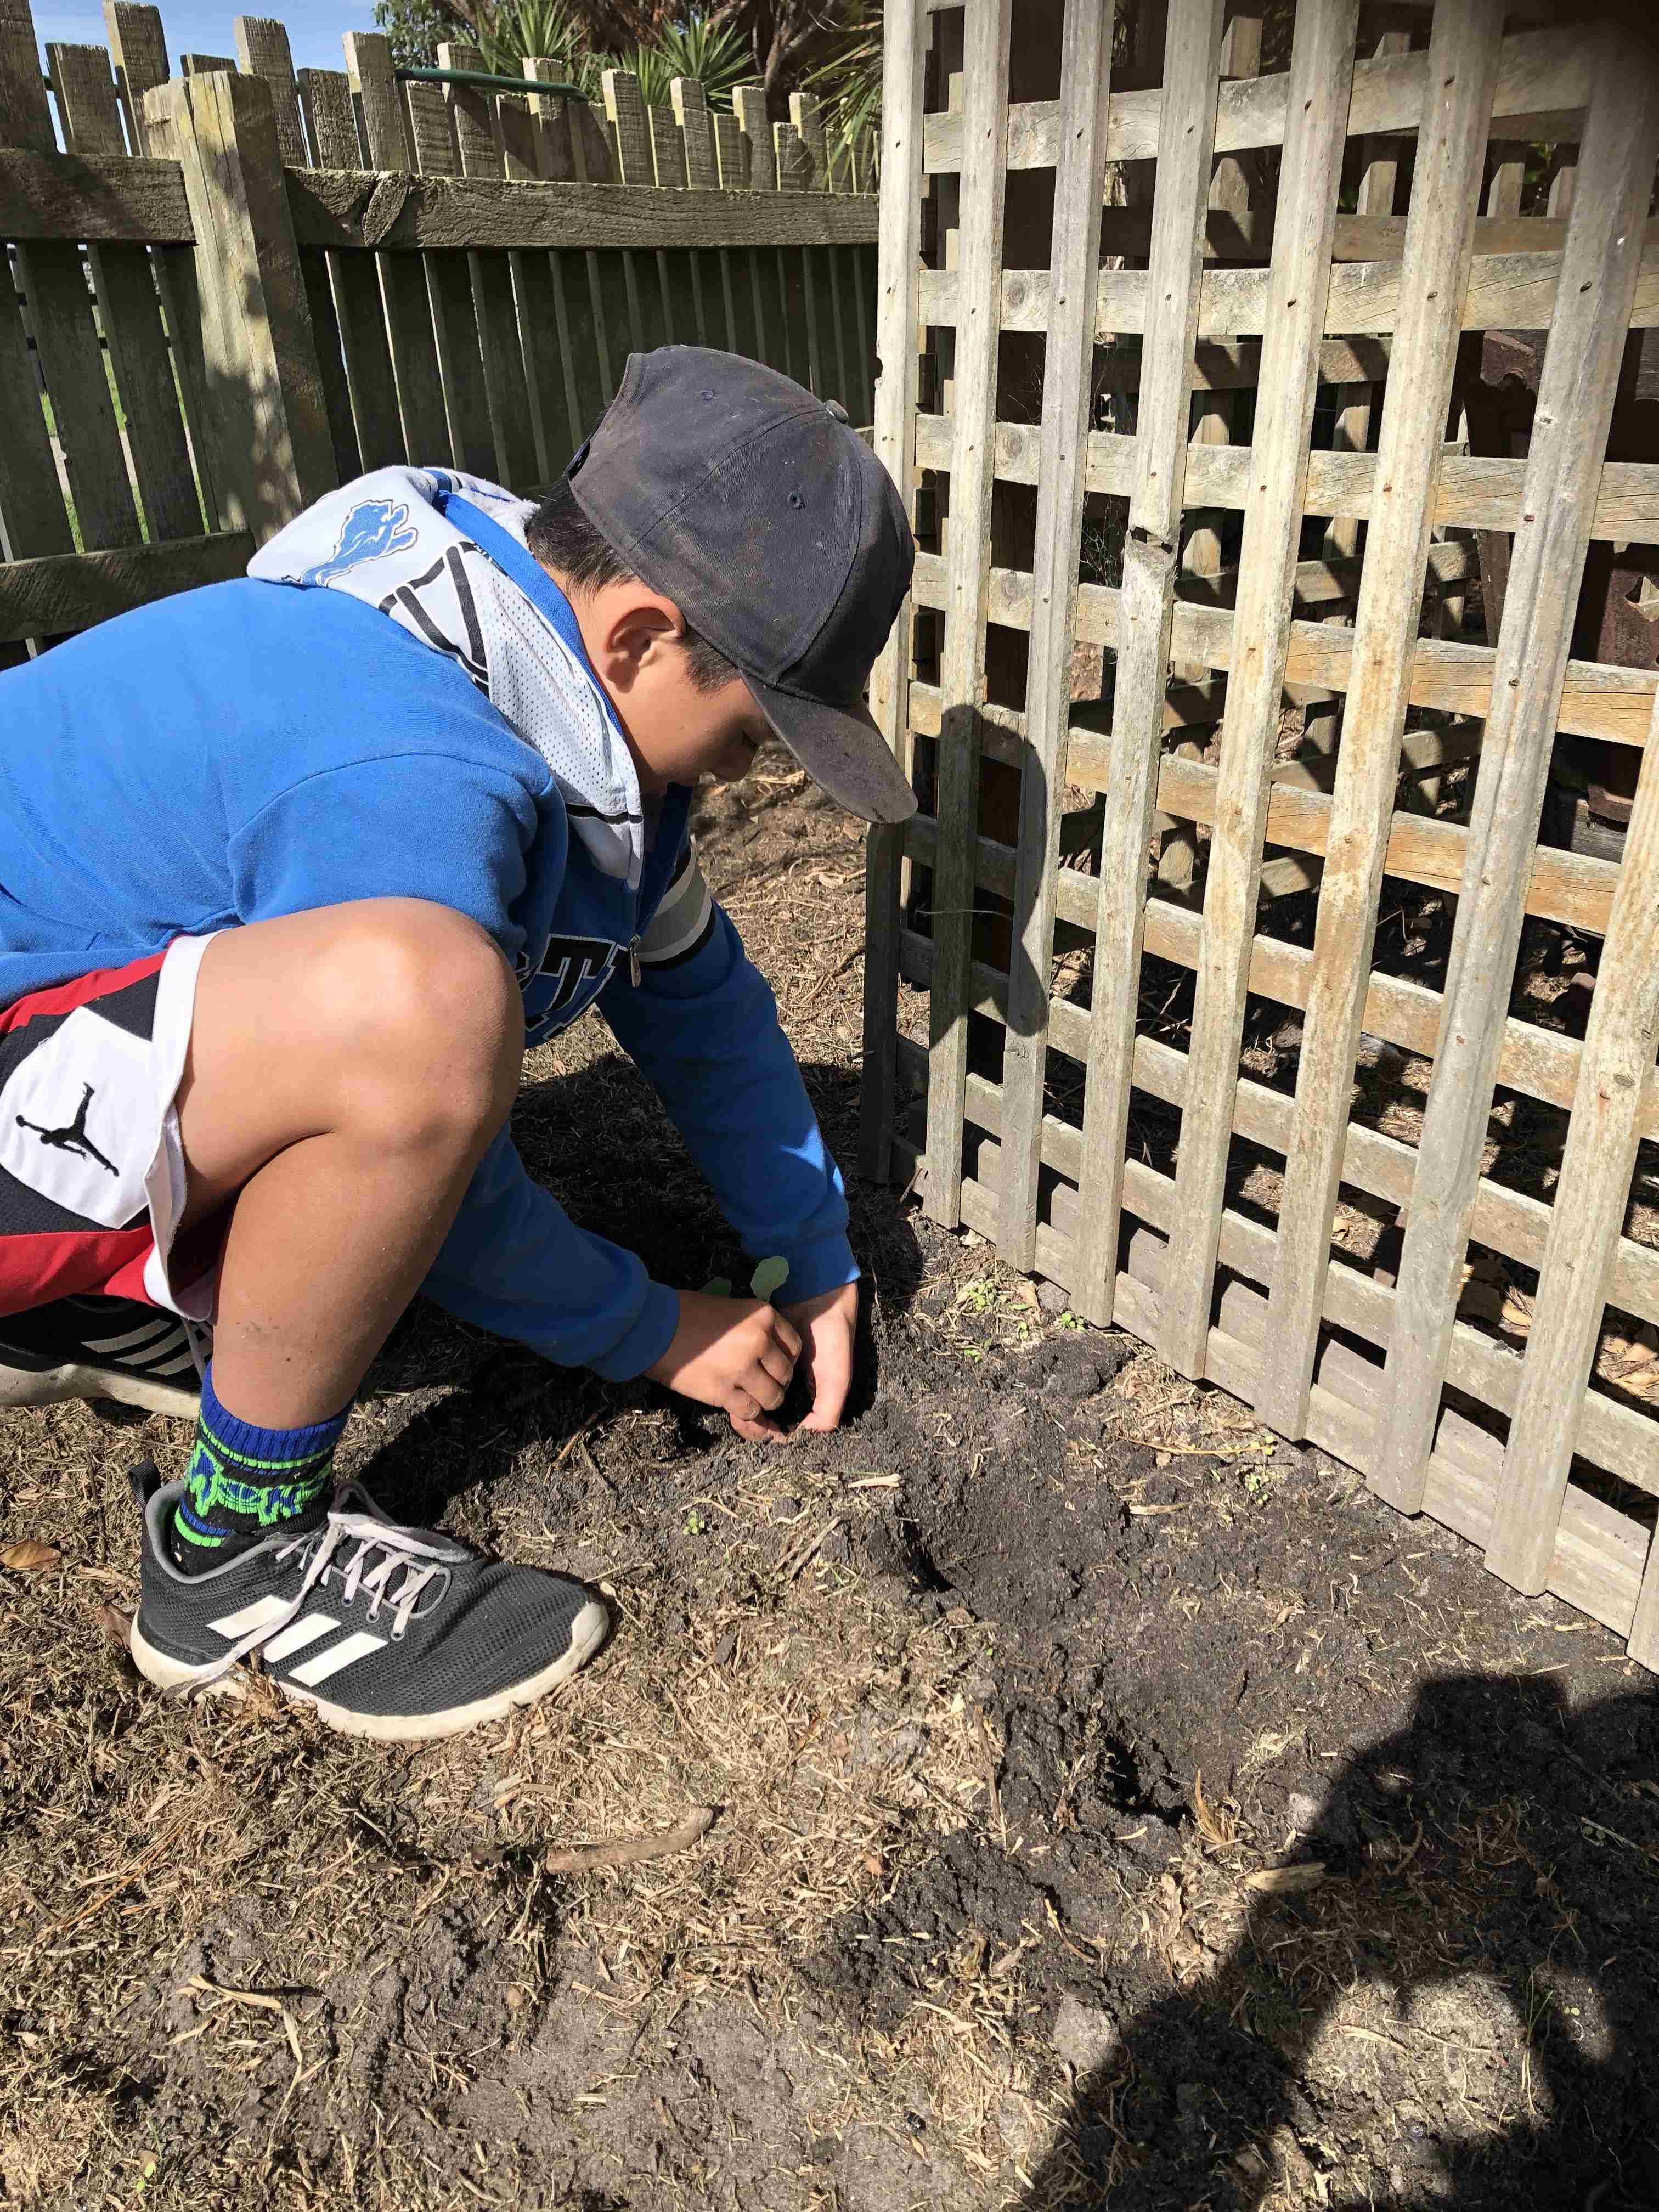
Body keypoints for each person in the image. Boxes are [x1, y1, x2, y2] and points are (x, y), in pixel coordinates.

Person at [0, 347, 915, 1743]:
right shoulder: (406, 763)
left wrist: (811, 1244)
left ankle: (91, 1295)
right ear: (641, 639)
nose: (749, 774)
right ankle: (236, 1554)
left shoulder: (514, 649)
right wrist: (655, 1327)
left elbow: (701, 999)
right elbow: (425, 1109)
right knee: (420, 1012)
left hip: (41, 1060)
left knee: (392, 1005)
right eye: (749, 732)